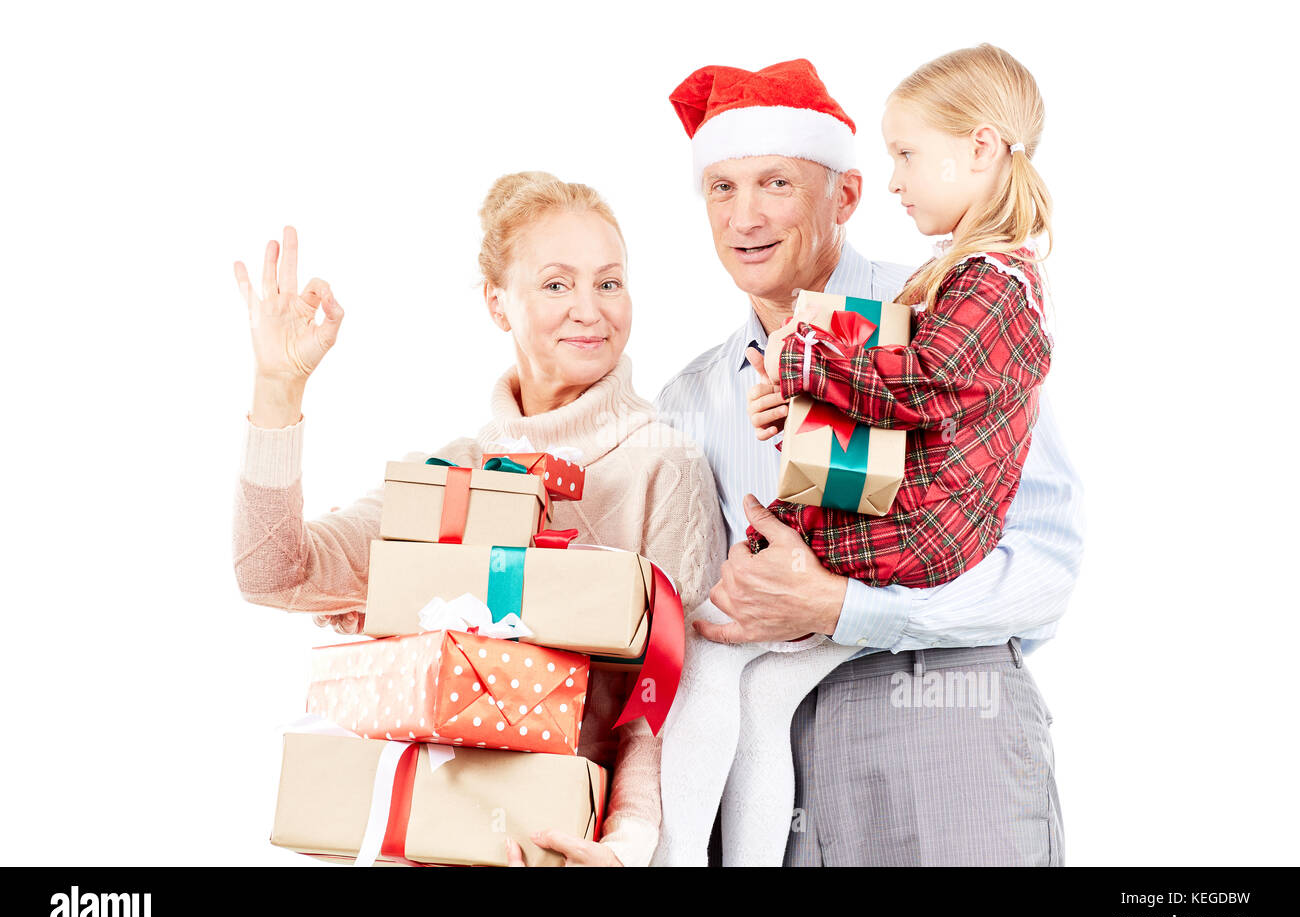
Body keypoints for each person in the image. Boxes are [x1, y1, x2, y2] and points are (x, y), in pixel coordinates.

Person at [653, 51, 1084, 866]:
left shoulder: (935, 310)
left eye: (777, 183)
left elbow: (1046, 568)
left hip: (940, 728)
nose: (745, 217)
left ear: (844, 196)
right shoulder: (690, 400)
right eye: (722, 187)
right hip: (762, 772)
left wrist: (842, 607)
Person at [231, 172, 727, 867]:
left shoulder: (662, 464)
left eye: (609, 283)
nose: (591, 309)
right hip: (433, 835)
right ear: (498, 303)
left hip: (564, 844)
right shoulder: (453, 476)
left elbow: (669, 694)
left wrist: (627, 845)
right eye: (557, 284)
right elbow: (274, 574)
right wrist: (277, 393)